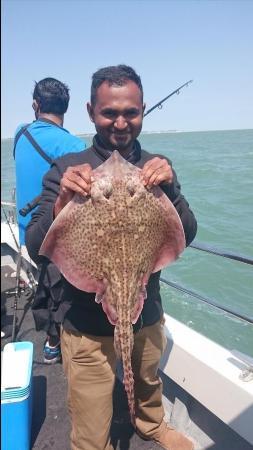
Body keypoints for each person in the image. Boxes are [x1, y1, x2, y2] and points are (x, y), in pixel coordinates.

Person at [26, 65, 197, 450]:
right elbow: (36, 243)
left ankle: (151, 425)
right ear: (91, 112)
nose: (120, 122)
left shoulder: (156, 168)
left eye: (130, 112)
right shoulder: (67, 169)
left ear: (142, 110)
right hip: (85, 321)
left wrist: (170, 189)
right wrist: (61, 205)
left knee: (148, 379)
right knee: (90, 413)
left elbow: (187, 231)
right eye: (109, 113)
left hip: (146, 306)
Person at [14, 77, 86, 363]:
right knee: (59, 288)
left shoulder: (20, 134)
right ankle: (56, 343)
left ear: (36, 105)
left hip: (26, 232)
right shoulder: (75, 144)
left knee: (43, 282)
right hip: (56, 231)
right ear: (66, 108)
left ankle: (50, 339)